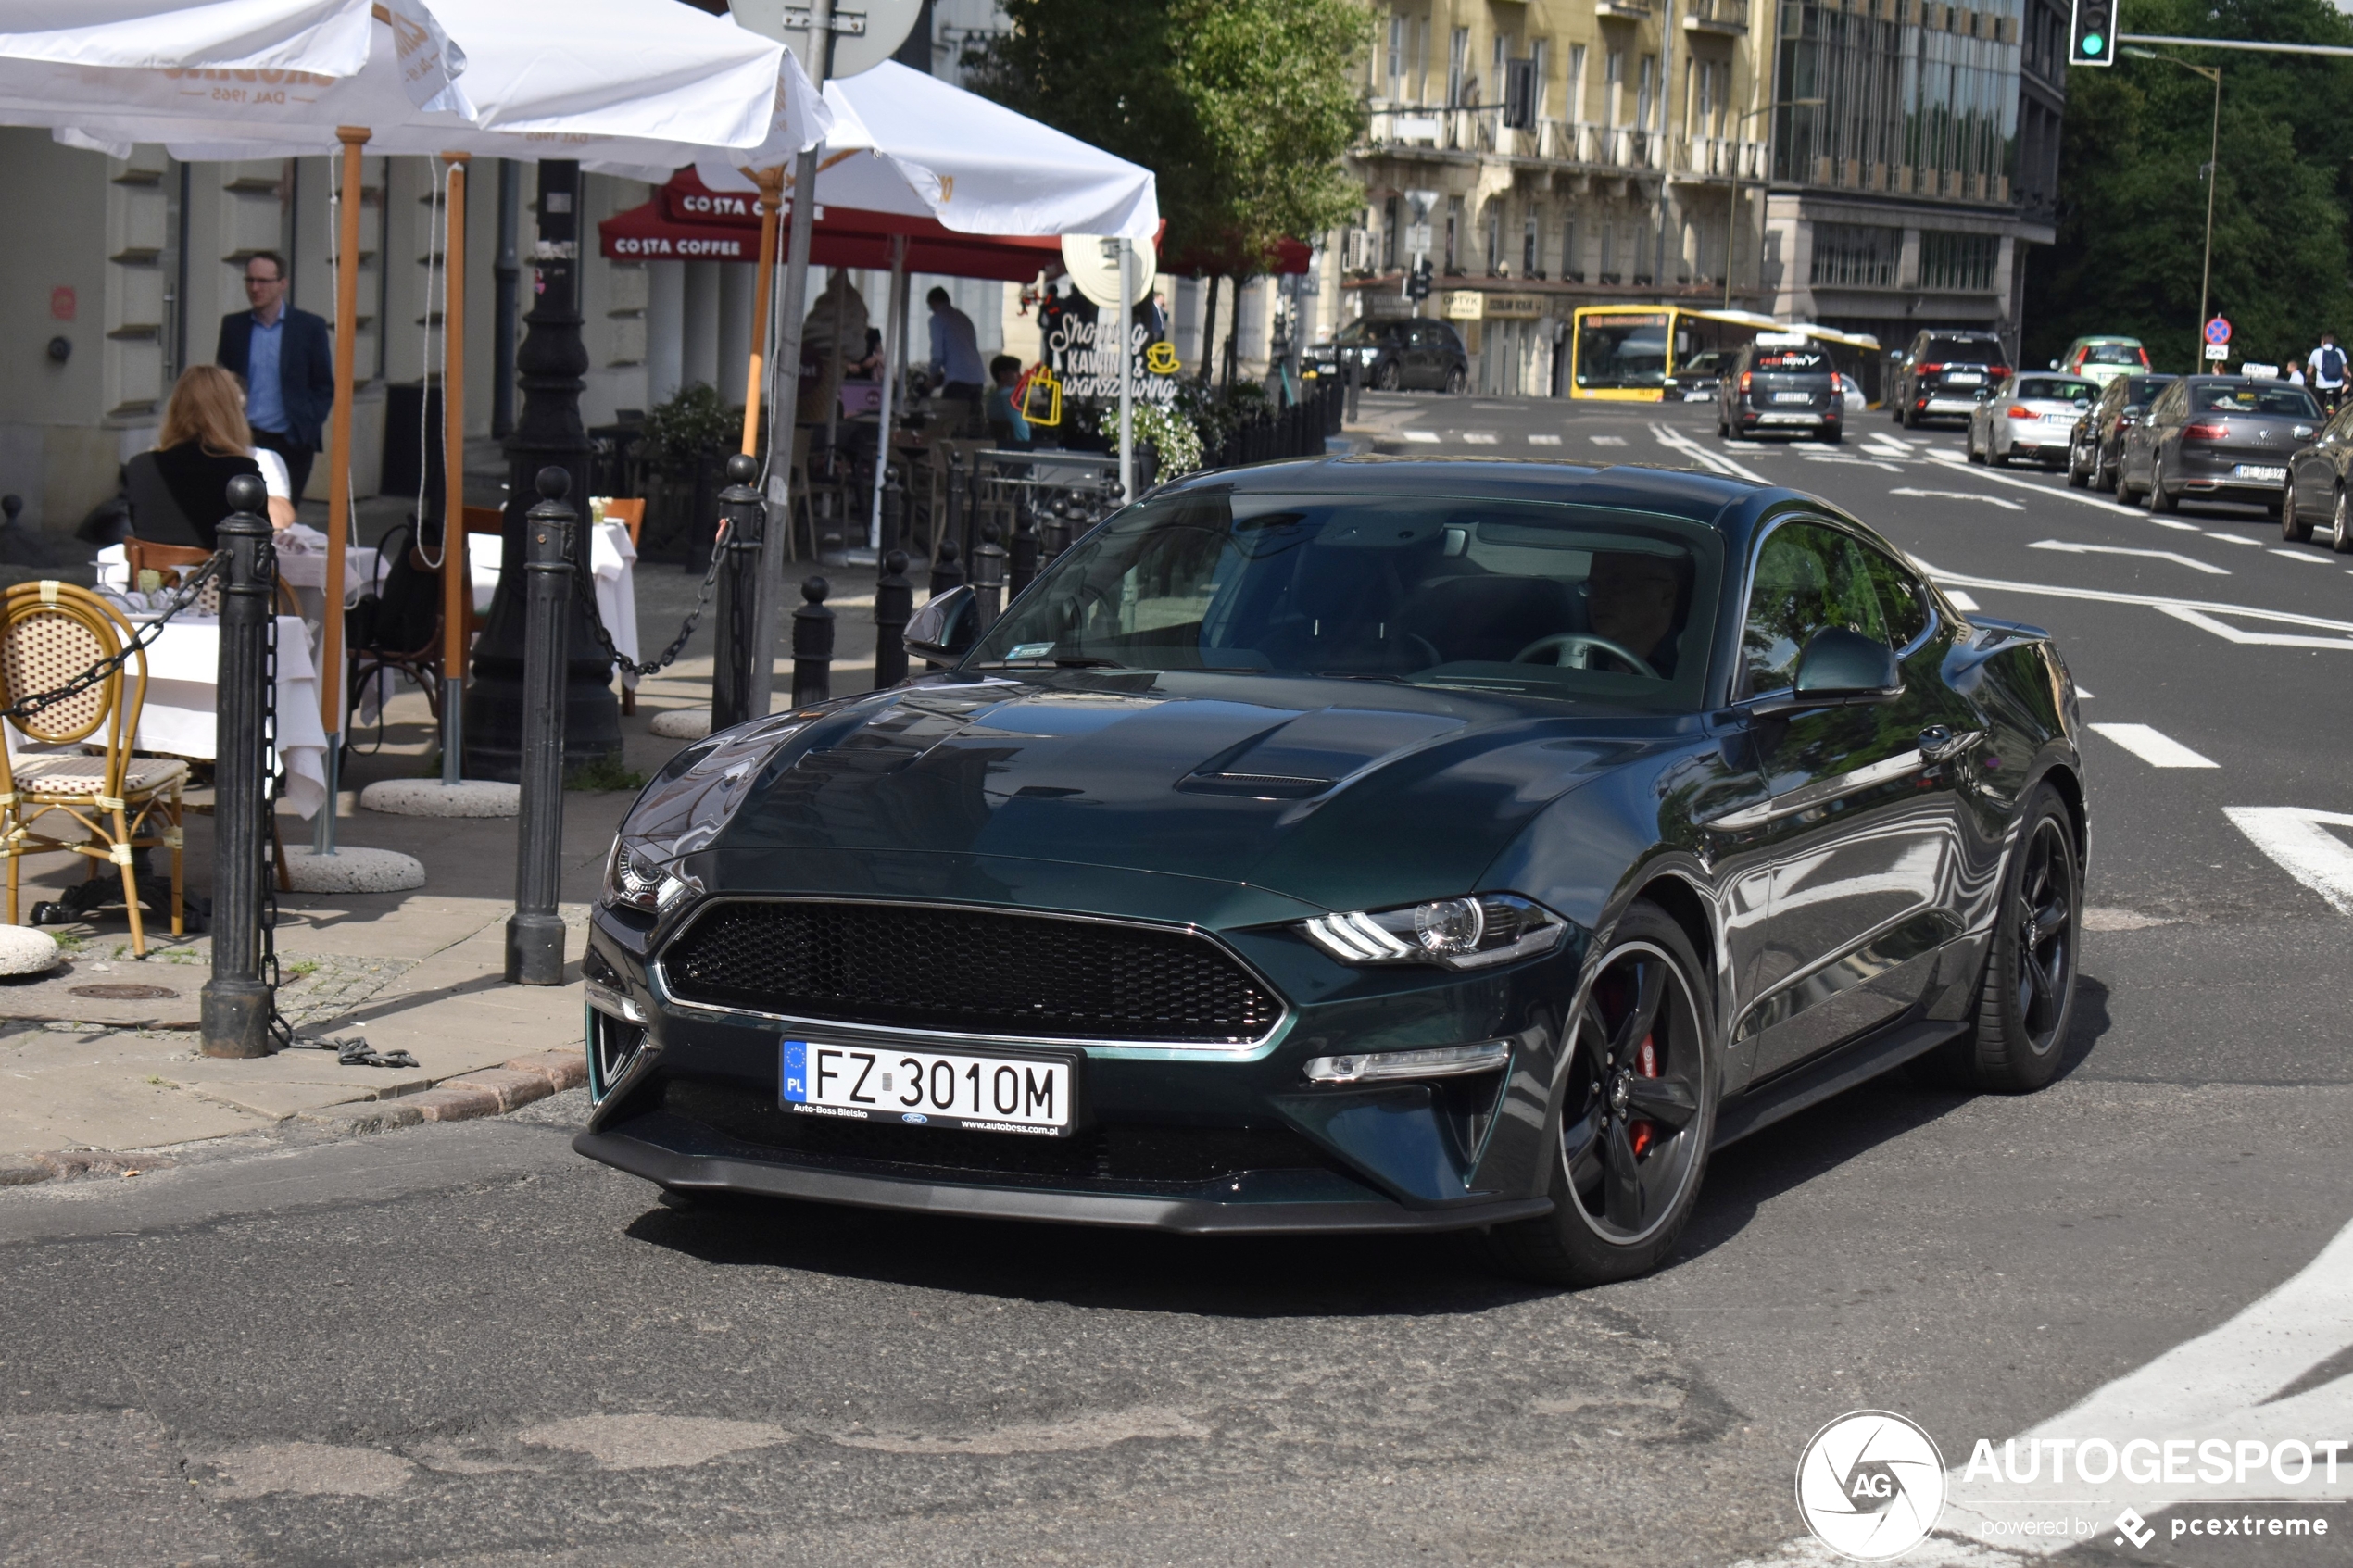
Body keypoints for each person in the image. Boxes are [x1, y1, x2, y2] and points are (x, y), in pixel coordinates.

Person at [130, 365, 296, 549]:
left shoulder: (141, 466)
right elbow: (260, 543)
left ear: (175, 408)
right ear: (230, 414)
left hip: (156, 577)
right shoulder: (241, 471)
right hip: (218, 577)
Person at [215, 250, 333, 499]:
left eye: (263, 281)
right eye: (250, 280)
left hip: (291, 441)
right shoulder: (234, 327)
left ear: (282, 284)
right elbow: (223, 381)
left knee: (282, 517)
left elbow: (323, 385)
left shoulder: (308, 327)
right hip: (245, 438)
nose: (255, 288)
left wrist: (308, 424)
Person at [1581, 550, 1688, 675]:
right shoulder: (1575, 658)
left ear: (1666, 594)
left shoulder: (1697, 670)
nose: (1598, 597)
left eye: (1617, 584)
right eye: (1592, 586)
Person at [927, 286, 985, 401]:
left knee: (951, 417)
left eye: (930, 306)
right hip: (978, 377)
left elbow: (938, 355)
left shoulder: (937, 319)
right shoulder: (964, 317)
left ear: (933, 302)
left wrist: (932, 377)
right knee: (972, 418)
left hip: (957, 380)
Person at [984, 355, 1032, 448]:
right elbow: (1020, 427)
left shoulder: (995, 396)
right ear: (1002, 375)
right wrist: (1027, 447)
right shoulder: (1009, 396)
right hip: (1015, 448)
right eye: (1016, 372)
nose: (1020, 376)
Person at [2309, 332, 2347, 412]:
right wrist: (2345, 379)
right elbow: (2345, 371)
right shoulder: (2339, 352)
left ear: (2322, 342)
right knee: (2337, 402)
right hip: (2337, 385)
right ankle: (2338, 416)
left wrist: (2309, 379)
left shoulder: (2316, 352)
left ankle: (2321, 419)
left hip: (2321, 385)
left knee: (2318, 405)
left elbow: (2309, 371)